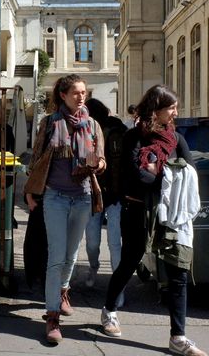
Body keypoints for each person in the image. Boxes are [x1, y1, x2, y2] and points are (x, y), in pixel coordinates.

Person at [100, 85, 207, 356]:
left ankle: (178, 336)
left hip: (171, 215)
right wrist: (167, 175)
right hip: (138, 211)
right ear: (155, 109)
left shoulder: (176, 139)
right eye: (170, 107)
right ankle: (109, 310)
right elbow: (135, 175)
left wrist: (157, 173)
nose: (175, 112)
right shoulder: (133, 137)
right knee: (129, 261)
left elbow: (190, 174)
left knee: (178, 272)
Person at [24, 74, 105, 344]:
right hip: (55, 197)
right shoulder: (49, 123)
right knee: (56, 257)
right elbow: (35, 158)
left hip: (82, 197)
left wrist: (97, 163)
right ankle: (52, 317)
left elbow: (102, 162)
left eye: (84, 92)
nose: (81, 97)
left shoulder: (93, 125)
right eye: (75, 93)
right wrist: (30, 192)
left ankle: (63, 290)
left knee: (71, 255)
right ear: (63, 95)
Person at [83, 98, 127, 308]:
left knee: (114, 244)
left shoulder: (117, 131)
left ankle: (119, 291)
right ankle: (93, 266)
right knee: (92, 242)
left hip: (115, 196)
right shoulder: (85, 132)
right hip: (94, 195)